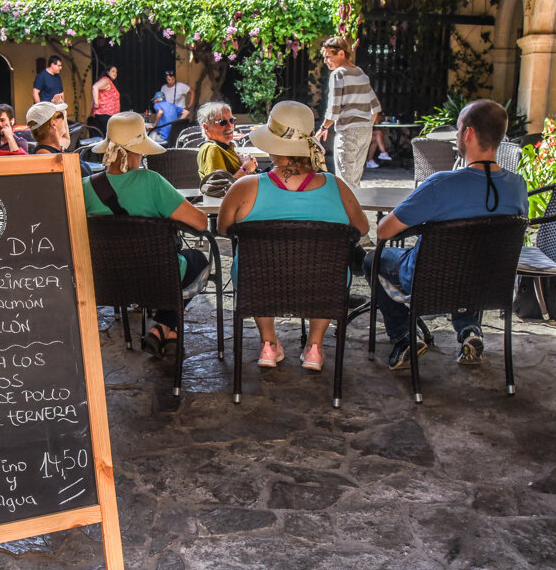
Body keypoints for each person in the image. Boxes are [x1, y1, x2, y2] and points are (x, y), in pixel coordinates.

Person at [364, 99, 529, 371]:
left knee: (373, 260)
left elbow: (384, 231)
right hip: (489, 282)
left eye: (459, 128)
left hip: (429, 279)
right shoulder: (517, 186)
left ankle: (405, 336)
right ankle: (469, 330)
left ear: (468, 134)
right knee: (472, 259)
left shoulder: (441, 184)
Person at [218, 101, 369, 372]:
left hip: (260, 282)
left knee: (255, 268)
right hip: (322, 283)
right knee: (328, 272)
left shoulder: (245, 187)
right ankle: (314, 347)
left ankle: (268, 343)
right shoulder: (337, 186)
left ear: (273, 145)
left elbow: (223, 228)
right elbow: (362, 228)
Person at [83, 112, 210, 357]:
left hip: (107, 281)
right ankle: (165, 326)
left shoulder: (84, 188)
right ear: (134, 152)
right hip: (157, 277)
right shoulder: (152, 182)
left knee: (171, 268)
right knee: (196, 260)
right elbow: (200, 221)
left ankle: (164, 329)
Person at [315, 37, 383, 188]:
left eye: (328, 56)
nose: (325, 61)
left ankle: (348, 211)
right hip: (365, 132)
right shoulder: (360, 73)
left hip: (348, 133)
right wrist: (366, 124)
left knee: (345, 183)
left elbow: (334, 109)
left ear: (340, 53)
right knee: (355, 181)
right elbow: (376, 106)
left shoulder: (338, 74)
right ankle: (356, 210)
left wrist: (323, 128)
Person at [196, 102, 257, 181]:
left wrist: (246, 163)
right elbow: (220, 188)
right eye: (223, 122)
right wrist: (246, 168)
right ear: (206, 127)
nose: (230, 126)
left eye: (231, 120)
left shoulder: (225, 147)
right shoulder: (211, 149)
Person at [90, 66, 120, 136]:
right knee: (109, 137)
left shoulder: (109, 82)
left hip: (107, 115)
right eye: (113, 71)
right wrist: (96, 104)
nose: (115, 73)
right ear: (107, 72)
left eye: (116, 72)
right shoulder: (106, 80)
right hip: (105, 115)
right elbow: (95, 87)